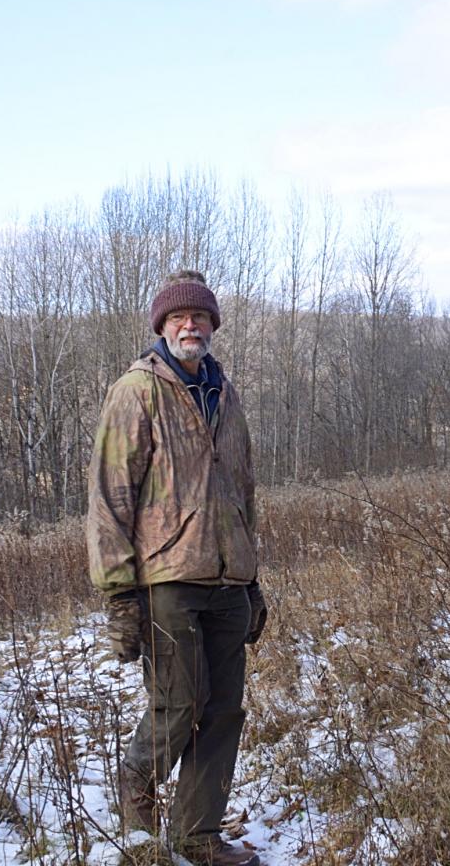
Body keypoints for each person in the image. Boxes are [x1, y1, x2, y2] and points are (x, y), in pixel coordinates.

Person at [87, 270, 267, 866]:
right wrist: (120, 596)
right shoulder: (136, 391)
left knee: (224, 712)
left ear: (213, 325)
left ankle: (198, 835)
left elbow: (241, 490)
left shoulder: (226, 394)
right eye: (178, 318)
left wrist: (253, 577)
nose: (190, 326)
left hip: (228, 580)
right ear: (162, 327)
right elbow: (111, 498)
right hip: (168, 579)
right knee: (180, 704)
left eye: (200, 317)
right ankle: (137, 808)